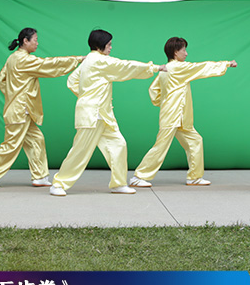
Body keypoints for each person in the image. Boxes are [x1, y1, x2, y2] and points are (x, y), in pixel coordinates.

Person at [49, 29, 165, 196]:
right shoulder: (99, 60)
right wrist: (155, 67)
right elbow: (125, 66)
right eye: (108, 44)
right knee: (80, 151)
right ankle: (58, 184)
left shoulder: (89, 61)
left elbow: (72, 81)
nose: (110, 47)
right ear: (99, 45)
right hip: (92, 114)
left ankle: (118, 184)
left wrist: (86, 96)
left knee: (119, 144)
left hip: (102, 115)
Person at [0, 27, 83, 189]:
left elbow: (1, 79)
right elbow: (49, 65)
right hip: (20, 110)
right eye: (35, 40)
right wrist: (78, 59)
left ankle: (40, 176)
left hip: (20, 109)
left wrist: (13, 95)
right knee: (11, 145)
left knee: (36, 140)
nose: (37, 43)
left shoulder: (12, 58)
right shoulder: (24, 60)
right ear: (25, 41)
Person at [129, 37, 236, 188]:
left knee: (195, 141)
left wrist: (164, 102)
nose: (186, 53)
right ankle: (138, 177)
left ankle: (194, 177)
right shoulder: (178, 67)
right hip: (172, 115)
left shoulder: (165, 69)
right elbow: (202, 67)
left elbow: (153, 90)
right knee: (161, 146)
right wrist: (226, 64)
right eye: (183, 50)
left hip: (179, 116)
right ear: (175, 52)